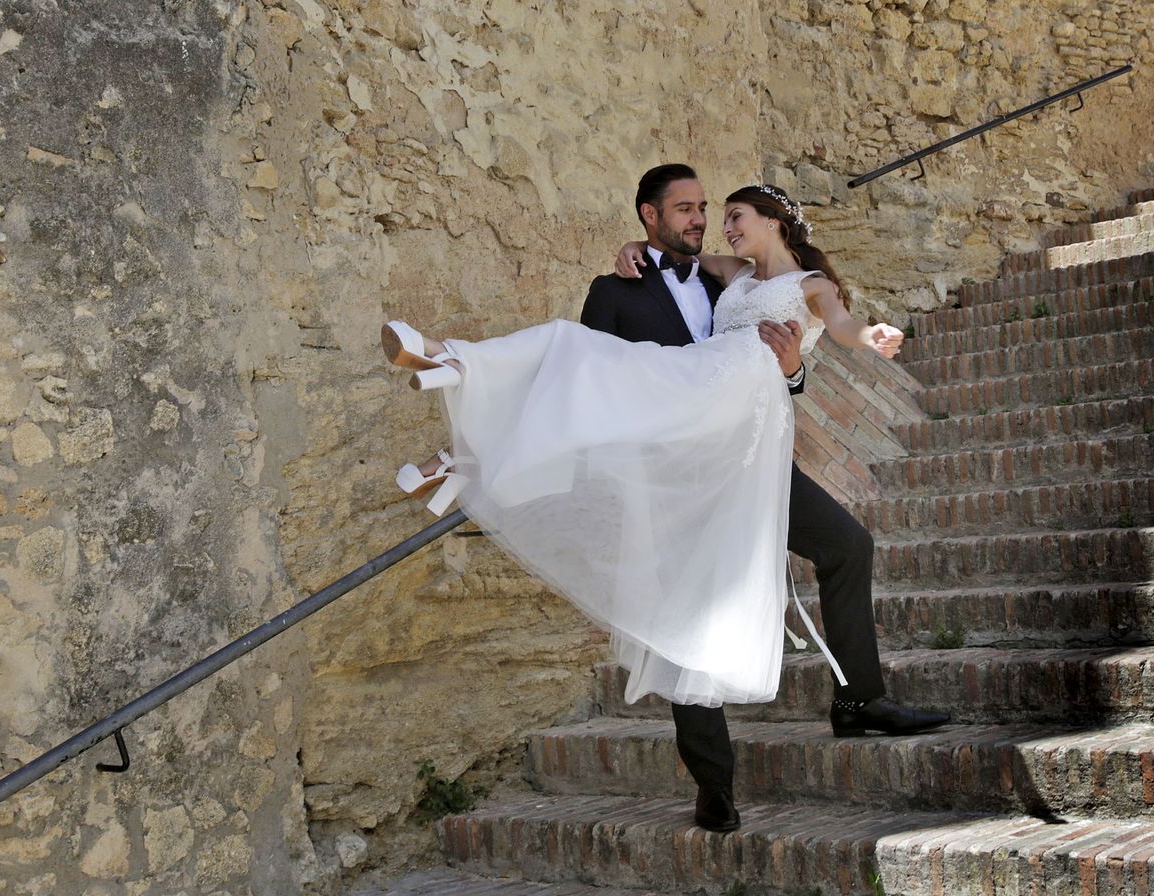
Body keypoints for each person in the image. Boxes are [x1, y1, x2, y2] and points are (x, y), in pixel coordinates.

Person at [382, 167, 947, 834]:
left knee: (848, 545)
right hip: (670, 464)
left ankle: (861, 700)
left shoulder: (747, 280)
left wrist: (823, 355)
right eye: (693, 210)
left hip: (752, 446)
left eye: (722, 212)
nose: (712, 222)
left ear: (771, 221)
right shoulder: (628, 287)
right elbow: (588, 393)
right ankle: (715, 785)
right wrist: (635, 254)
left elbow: (828, 336)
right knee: (680, 605)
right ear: (651, 216)